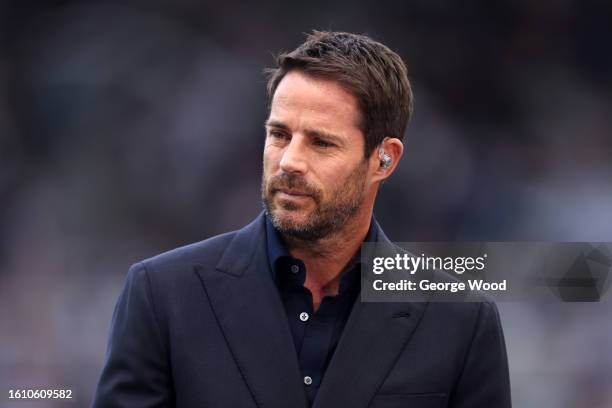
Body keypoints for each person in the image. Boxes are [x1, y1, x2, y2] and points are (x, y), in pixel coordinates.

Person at [92, 31, 511, 408]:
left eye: (321, 143)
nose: (289, 161)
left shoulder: (459, 320)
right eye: (279, 135)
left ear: (384, 159)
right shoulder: (163, 295)